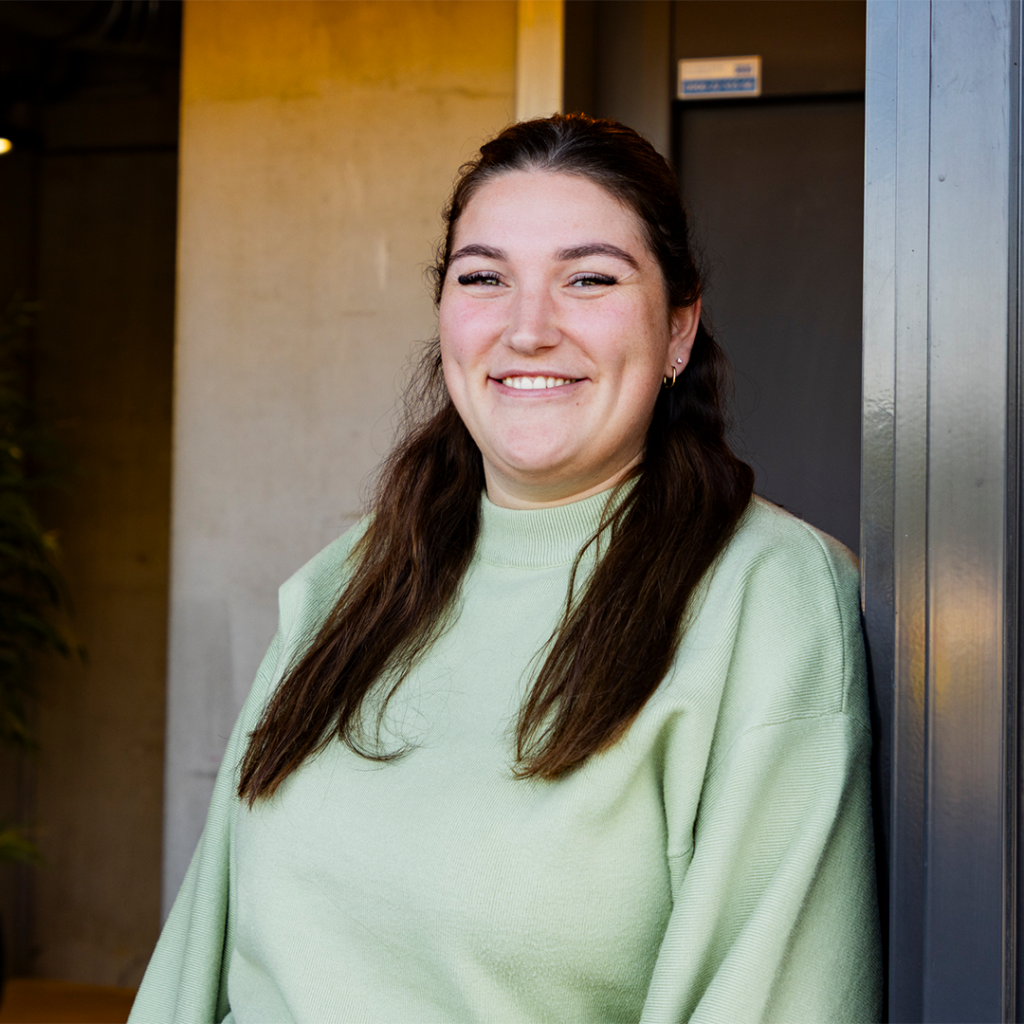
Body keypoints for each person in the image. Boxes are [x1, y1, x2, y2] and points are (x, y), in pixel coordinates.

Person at [130, 114, 881, 1024]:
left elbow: (776, 998)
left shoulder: (771, 599)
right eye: (484, 278)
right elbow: (198, 957)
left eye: (590, 279)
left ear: (679, 329)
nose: (529, 329)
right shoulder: (352, 579)